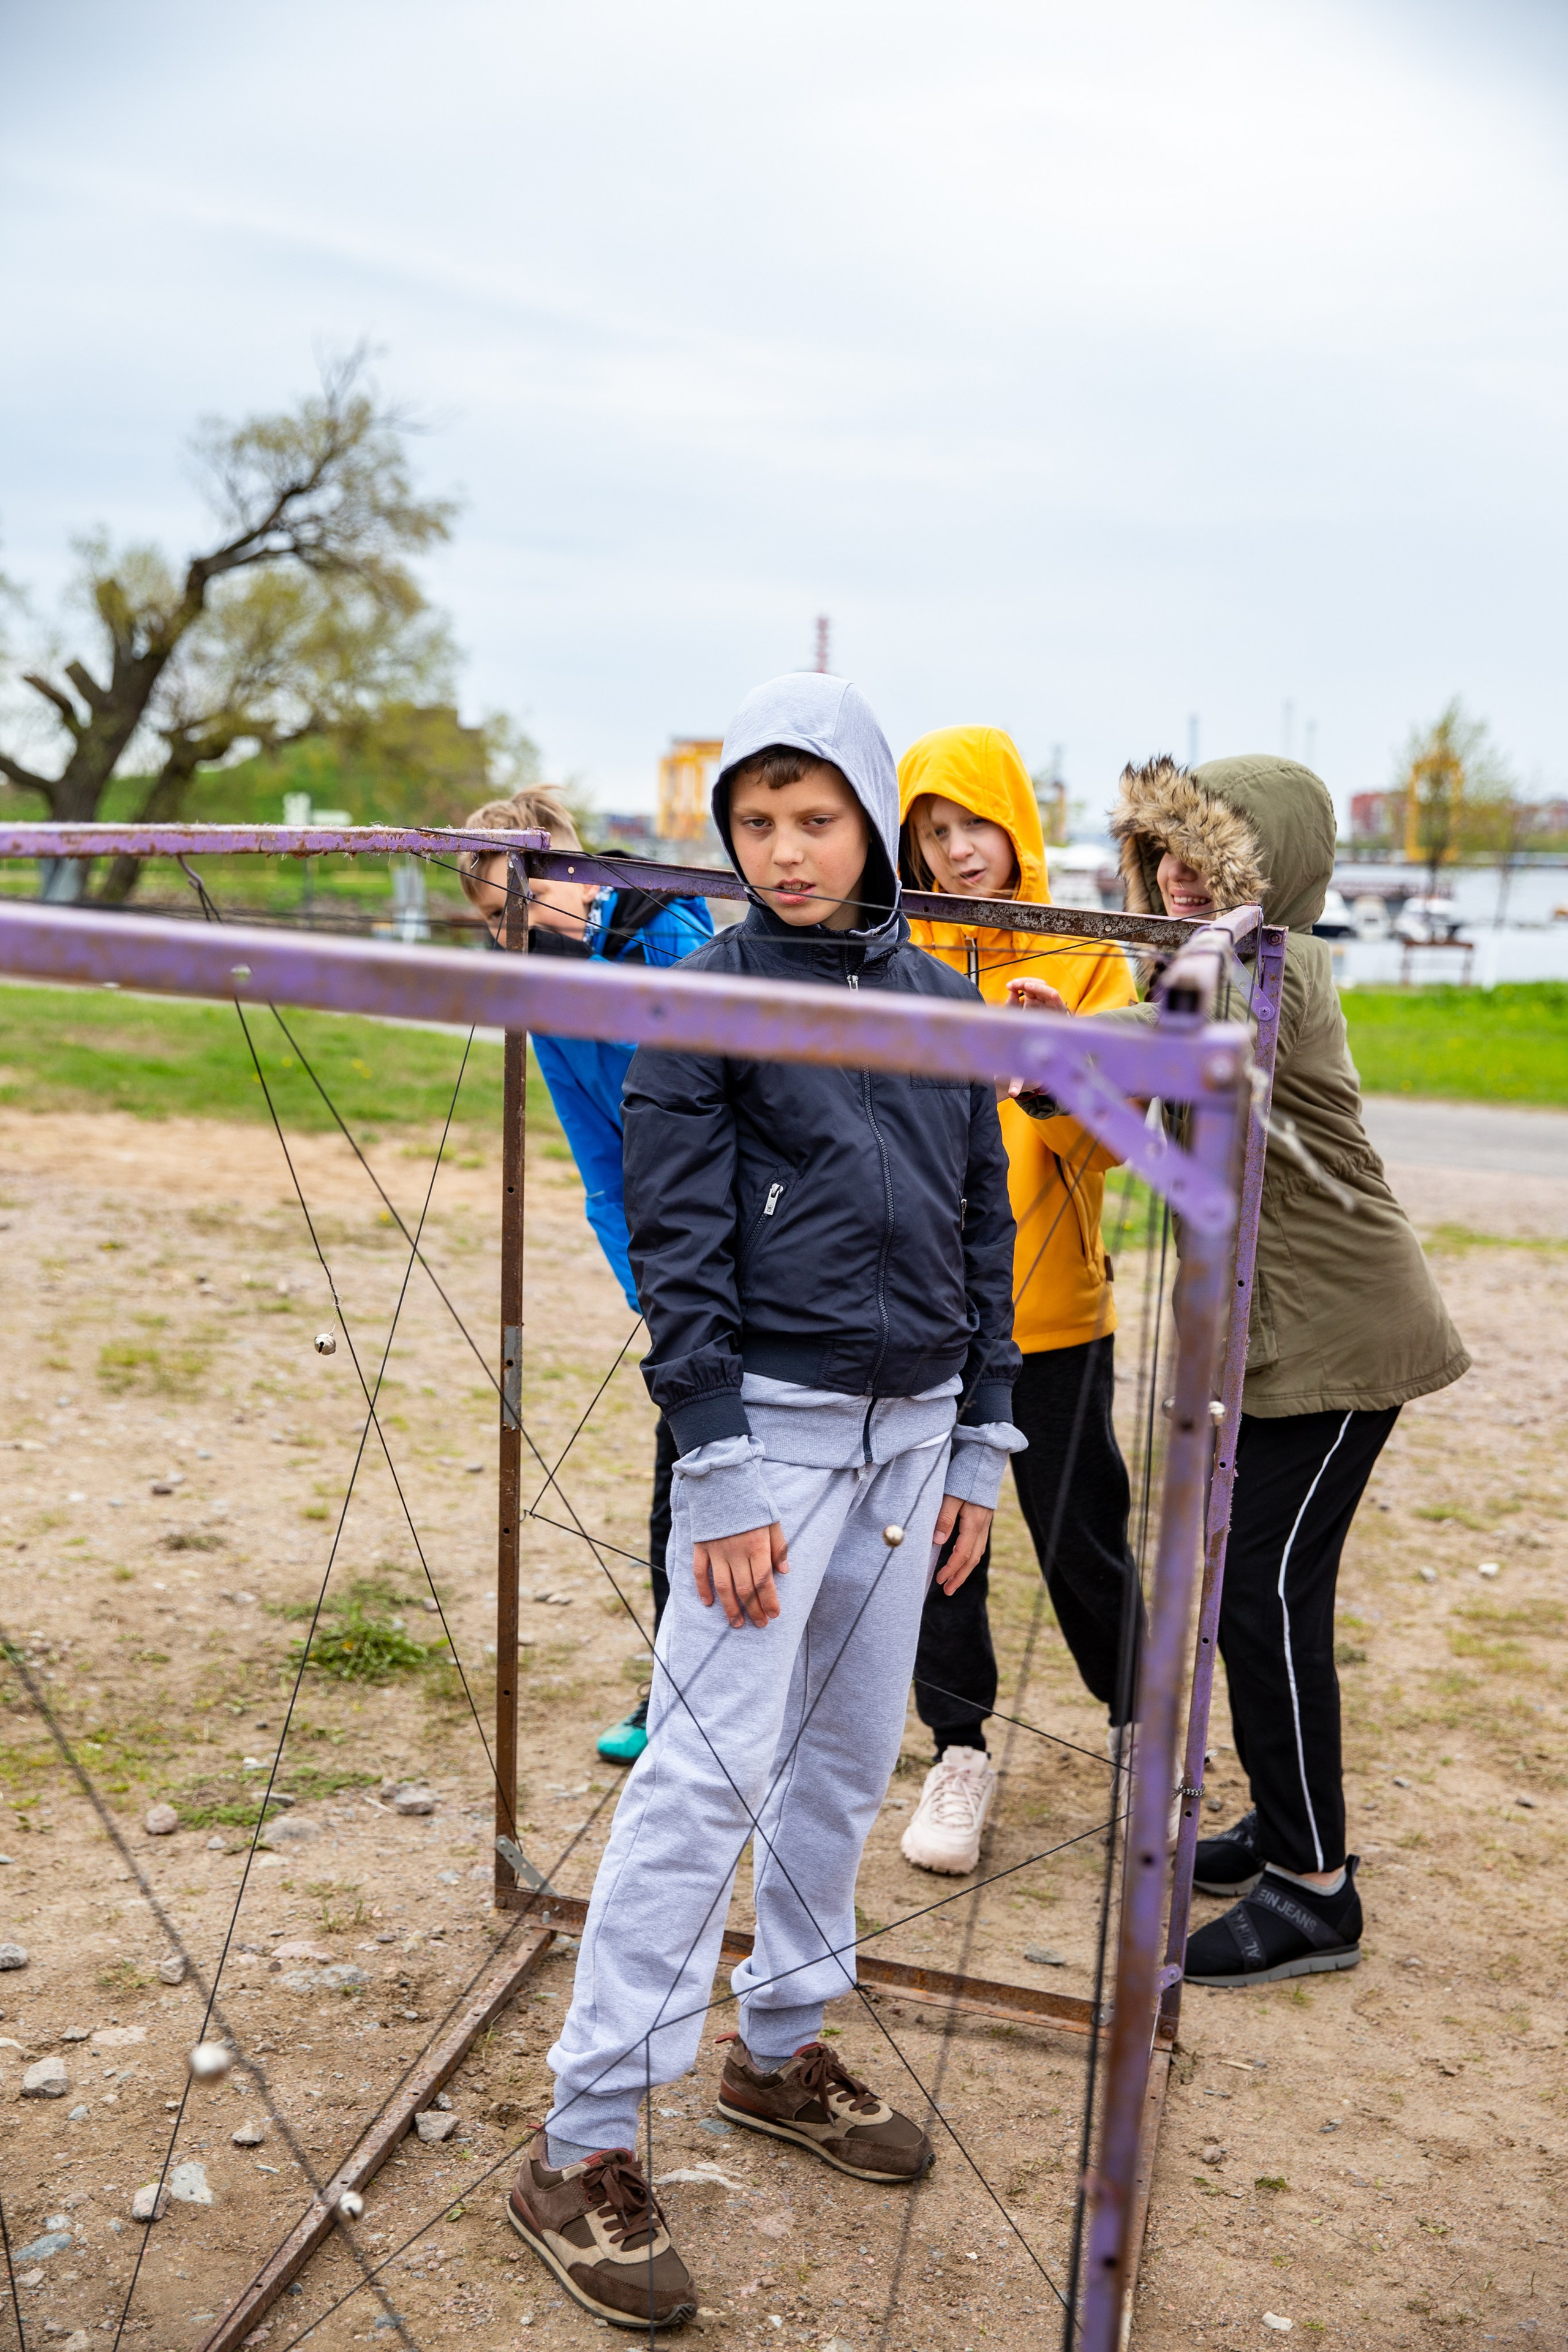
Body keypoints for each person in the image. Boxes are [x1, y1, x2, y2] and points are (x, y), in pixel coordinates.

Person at [503, 674, 1022, 2331]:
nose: (785, 852)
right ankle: (581, 2141)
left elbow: (983, 1228)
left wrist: (982, 1436)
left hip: (911, 1435)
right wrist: (716, 1464)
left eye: (814, 820)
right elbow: (679, 1254)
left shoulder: (940, 1001)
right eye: (754, 823)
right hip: (774, 1446)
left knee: (848, 1762)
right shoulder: (705, 1001)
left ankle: (779, 2049)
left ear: (870, 820)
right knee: (699, 1782)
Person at [1105, 752, 1470, 1986]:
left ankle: (1314, 1888)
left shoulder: (1277, 970)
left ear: (1265, 872)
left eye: (1201, 854)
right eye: (1158, 850)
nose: (1170, 875)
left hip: (1344, 1336)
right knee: (1254, 1588)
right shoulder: (1201, 968)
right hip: (1285, 1333)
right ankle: (1282, 1812)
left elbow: (1166, 1048)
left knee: (1257, 1589)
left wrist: (1042, 1044)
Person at [892, 727, 1142, 1876]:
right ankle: (958, 1749)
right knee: (937, 1542)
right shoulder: (888, 950)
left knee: (1080, 1534)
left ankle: (1143, 1735)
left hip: (1052, 1312)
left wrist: (1052, 1070)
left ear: (1017, 823)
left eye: (972, 824)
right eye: (932, 832)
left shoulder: (1095, 956)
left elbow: (1113, 1148)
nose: (955, 851)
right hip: (922, 1315)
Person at [458, 790, 712, 1762]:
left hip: (760, 1248)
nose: (511, 931)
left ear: (576, 875)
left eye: (526, 899)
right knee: (678, 1494)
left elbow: (692, 1078)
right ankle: (673, 1690)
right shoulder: (546, 996)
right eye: (490, 920)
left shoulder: (670, 929)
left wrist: (586, 971)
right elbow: (600, 1167)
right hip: (679, 1281)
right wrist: (652, 1292)